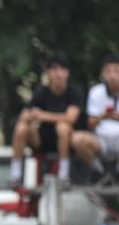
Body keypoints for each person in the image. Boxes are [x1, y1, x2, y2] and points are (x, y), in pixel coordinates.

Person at [9, 52, 85, 186]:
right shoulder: (41, 92)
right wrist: (32, 114)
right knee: (21, 127)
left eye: (62, 70)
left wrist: (43, 115)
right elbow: (24, 116)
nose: (58, 74)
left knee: (62, 127)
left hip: (67, 141)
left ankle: (64, 174)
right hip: (43, 140)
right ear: (48, 73)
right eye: (54, 70)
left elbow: (70, 118)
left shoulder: (75, 91)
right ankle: (15, 174)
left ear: (67, 73)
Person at [72, 55, 119, 180]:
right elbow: (90, 123)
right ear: (103, 74)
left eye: (116, 70)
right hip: (101, 139)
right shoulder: (95, 92)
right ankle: (98, 170)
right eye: (108, 71)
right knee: (76, 139)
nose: (112, 75)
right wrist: (103, 116)